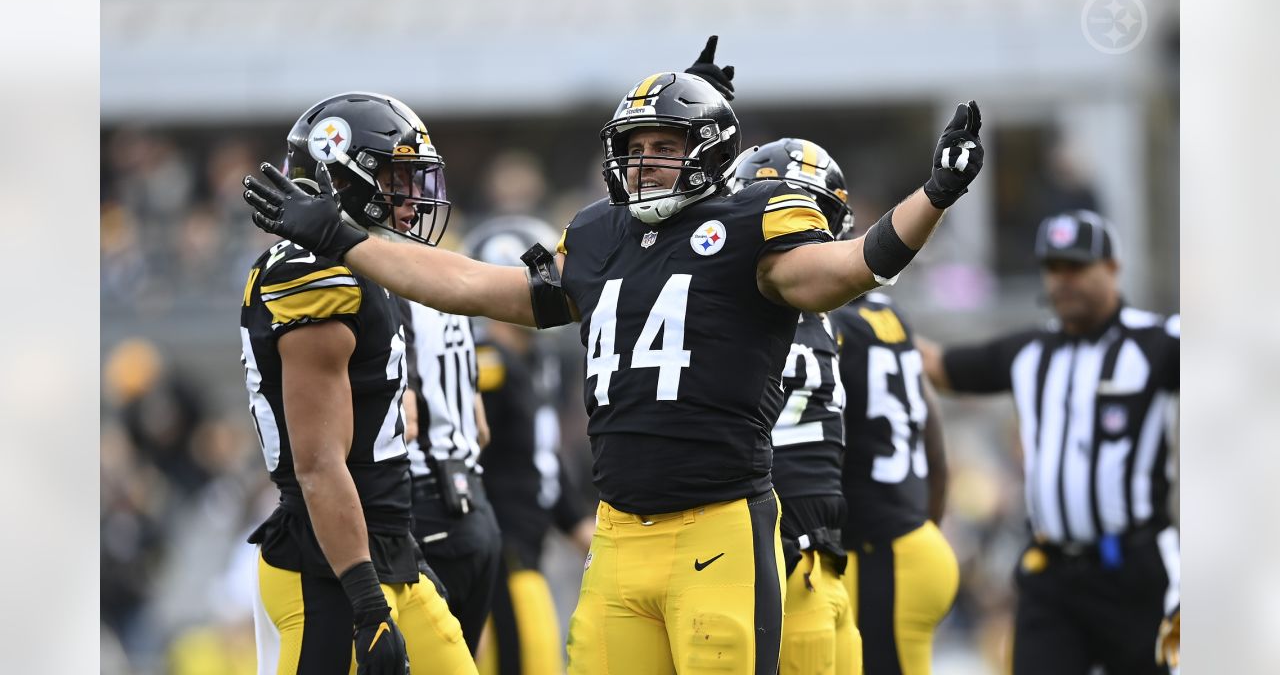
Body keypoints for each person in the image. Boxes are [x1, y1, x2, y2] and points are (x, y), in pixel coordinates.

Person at [243, 39, 985, 674]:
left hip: (718, 527)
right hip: (618, 533)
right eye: (636, 148)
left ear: (712, 154)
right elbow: (469, 284)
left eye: (667, 146)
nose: (648, 163)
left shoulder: (751, 228)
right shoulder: (599, 237)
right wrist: (344, 238)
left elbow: (849, 267)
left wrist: (933, 197)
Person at [239, 91, 476, 675]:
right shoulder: (315, 272)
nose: (414, 198)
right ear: (345, 177)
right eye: (400, 177)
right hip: (330, 571)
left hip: (387, 547)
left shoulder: (358, 264)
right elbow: (319, 463)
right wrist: (366, 600)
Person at [917, 209, 1179, 675]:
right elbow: (940, 367)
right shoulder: (1029, 352)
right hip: (1052, 570)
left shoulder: (1155, 343)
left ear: (1113, 268)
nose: (1063, 281)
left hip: (1136, 569)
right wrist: (869, 318)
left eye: (1076, 267)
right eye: (1053, 268)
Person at [730, 138, 860, 675]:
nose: (799, 239)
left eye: (812, 220)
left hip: (824, 553)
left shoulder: (835, 312)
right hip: (770, 546)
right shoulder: (725, 298)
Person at [461, 215, 596, 675]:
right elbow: (462, 457)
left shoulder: (533, 364)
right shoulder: (488, 364)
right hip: (498, 552)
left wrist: (585, 530)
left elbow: (544, 467)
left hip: (525, 550)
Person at [832, 283, 956, 675]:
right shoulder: (888, 313)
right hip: (909, 543)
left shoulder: (831, 325)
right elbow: (933, 438)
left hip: (881, 556)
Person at [399, 248, 503, 655]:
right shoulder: (447, 283)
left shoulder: (390, 288)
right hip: (475, 508)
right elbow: (481, 429)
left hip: (425, 507)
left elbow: (404, 423)